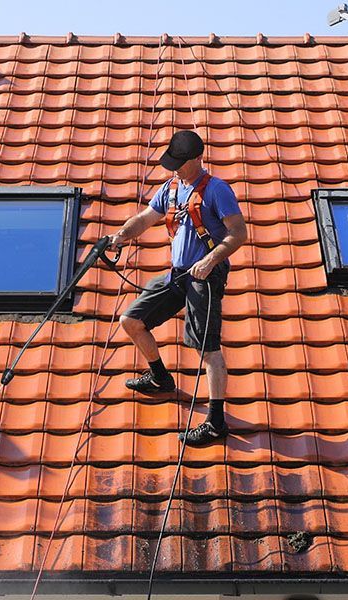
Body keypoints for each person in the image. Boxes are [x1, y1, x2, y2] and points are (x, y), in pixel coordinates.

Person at [109, 130, 247, 446]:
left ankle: (215, 422)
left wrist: (211, 260)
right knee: (131, 321)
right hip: (178, 274)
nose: (175, 169)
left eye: (180, 164)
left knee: (206, 348)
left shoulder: (217, 191)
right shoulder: (172, 188)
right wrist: (121, 235)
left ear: (197, 158)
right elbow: (145, 219)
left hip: (205, 278)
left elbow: (238, 233)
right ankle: (159, 377)